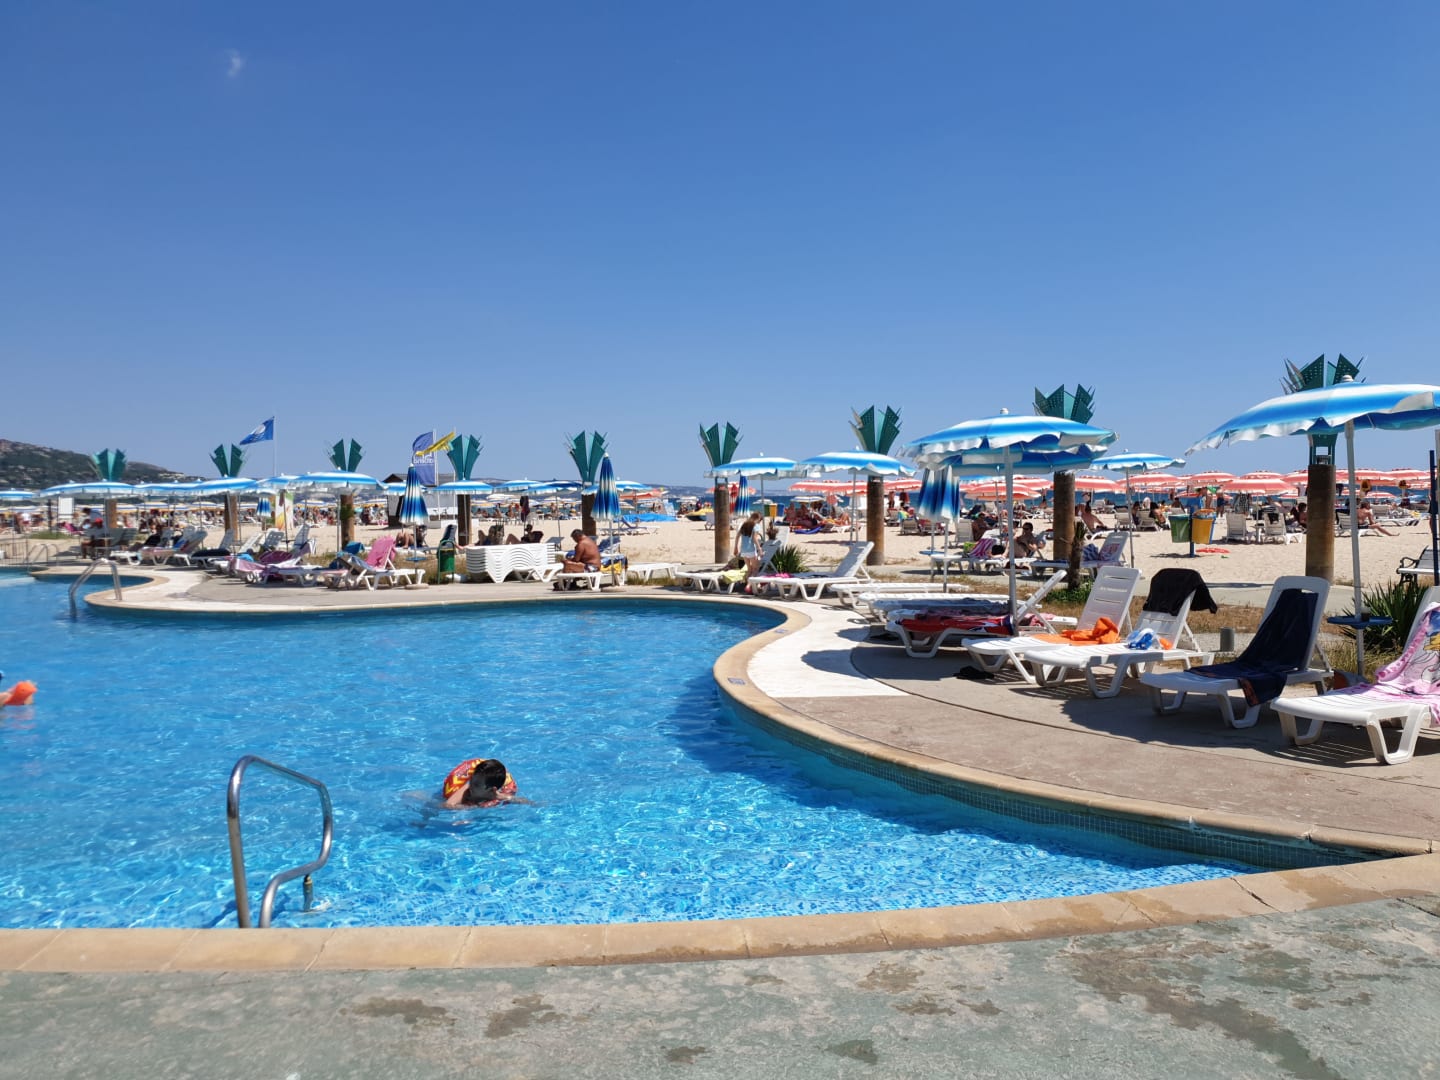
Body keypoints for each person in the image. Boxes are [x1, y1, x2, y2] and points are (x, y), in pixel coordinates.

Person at [441, 757, 525, 808]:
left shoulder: (500, 796)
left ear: (492, 790)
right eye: (471, 780)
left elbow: (520, 800)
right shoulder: (468, 788)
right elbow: (447, 805)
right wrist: (470, 808)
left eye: (476, 785)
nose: (471, 786)